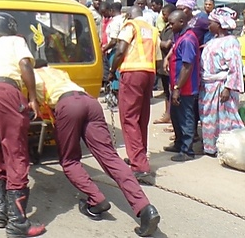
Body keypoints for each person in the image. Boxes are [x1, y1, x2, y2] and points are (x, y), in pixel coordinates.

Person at [33, 60, 160, 237]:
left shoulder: (32, 77)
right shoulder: (58, 72)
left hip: (68, 106)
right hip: (89, 103)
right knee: (111, 158)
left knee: (69, 161)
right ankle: (146, 209)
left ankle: (97, 200)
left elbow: (33, 107)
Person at [0, 12, 46, 238]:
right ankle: (18, 223)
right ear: (9, 27)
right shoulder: (16, 40)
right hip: (4, 93)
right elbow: (24, 63)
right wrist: (32, 96)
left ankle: (1, 213)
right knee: (16, 153)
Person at [110, 7, 162, 181]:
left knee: (129, 118)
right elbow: (158, 59)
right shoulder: (153, 30)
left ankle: (140, 166)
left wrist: (111, 71)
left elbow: (120, 49)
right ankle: (138, 156)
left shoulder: (130, 26)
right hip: (149, 73)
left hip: (132, 73)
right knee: (141, 117)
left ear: (130, 15)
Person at [199, 7, 244, 156]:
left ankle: (231, 149)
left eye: (211, 23)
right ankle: (211, 147)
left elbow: (235, 66)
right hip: (208, 86)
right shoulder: (213, 40)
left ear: (219, 24)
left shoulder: (230, 41)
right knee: (210, 118)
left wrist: (228, 88)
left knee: (226, 119)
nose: (209, 26)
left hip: (221, 86)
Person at [164, 10, 200, 162]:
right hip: (177, 85)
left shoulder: (188, 40)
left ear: (181, 22)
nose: (170, 26)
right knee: (176, 116)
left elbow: (187, 66)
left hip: (186, 87)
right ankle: (179, 144)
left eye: (172, 23)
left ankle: (187, 150)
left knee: (186, 118)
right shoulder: (180, 36)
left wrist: (178, 88)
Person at [153, 4, 176, 125]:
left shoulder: (174, 29)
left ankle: (172, 116)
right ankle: (167, 115)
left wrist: (158, 42)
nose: (163, 15)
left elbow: (167, 45)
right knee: (166, 92)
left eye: (165, 13)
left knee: (172, 92)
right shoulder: (167, 27)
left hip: (170, 64)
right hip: (162, 63)